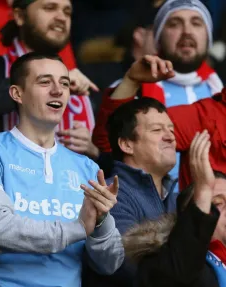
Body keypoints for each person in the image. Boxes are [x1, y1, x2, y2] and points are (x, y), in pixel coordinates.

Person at [0, 53, 124, 287]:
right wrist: (79, 227)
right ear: (17, 94)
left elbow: (110, 263)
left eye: (65, 83)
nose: (58, 90)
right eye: (45, 82)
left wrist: (101, 223)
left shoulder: (87, 168)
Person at [93, 0, 223, 190]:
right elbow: (107, 144)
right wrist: (131, 81)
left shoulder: (219, 92)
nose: (187, 31)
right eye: (174, 24)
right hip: (152, 210)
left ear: (208, 36)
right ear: (158, 37)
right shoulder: (132, 88)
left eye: (196, 23)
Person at [0, 0, 100, 160]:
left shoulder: (79, 84)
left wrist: (94, 152)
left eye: (67, 12)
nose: (61, 17)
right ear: (19, 16)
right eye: (50, 8)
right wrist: (49, 81)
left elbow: (111, 165)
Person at [82, 97, 177, 287]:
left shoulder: (178, 198)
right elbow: (129, 265)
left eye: (171, 130)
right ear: (126, 144)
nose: (170, 137)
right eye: (157, 130)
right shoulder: (110, 194)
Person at [123, 130, 226, 287]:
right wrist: (203, 194)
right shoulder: (159, 262)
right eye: (216, 204)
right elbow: (180, 272)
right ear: (188, 218)